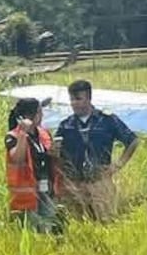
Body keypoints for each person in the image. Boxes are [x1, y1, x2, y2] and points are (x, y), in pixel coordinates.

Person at [55, 79, 139, 222]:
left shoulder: (107, 120)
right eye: (72, 99)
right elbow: (58, 153)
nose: (74, 103)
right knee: (79, 223)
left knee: (106, 222)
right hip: (75, 183)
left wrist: (117, 165)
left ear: (88, 98)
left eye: (78, 99)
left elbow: (132, 141)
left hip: (100, 181)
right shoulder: (66, 125)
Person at [4, 96, 62, 234]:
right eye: (40, 112)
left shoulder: (43, 133)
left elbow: (46, 155)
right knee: (32, 228)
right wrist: (23, 133)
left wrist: (53, 152)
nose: (42, 116)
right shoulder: (13, 136)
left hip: (45, 186)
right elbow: (17, 158)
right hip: (27, 192)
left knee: (49, 222)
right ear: (30, 116)